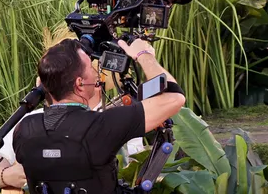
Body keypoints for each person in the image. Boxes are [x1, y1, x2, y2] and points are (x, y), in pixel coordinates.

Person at [12, 38, 186, 193]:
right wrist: (144, 54)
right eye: (90, 67)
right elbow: (174, 98)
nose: (96, 73)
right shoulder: (101, 126)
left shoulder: (24, 129)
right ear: (79, 84)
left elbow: (56, 147)